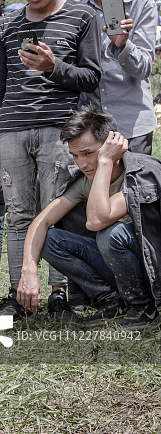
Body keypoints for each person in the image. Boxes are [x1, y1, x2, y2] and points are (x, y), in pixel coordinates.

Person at [0, 0, 101, 320]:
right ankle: (19, 294)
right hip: (13, 129)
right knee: (17, 213)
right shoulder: (5, 26)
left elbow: (92, 75)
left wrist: (54, 67)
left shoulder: (82, 16)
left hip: (58, 129)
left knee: (55, 212)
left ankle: (58, 295)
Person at [16, 106, 159, 329]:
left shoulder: (143, 174)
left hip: (153, 271)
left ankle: (142, 307)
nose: (81, 164)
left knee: (111, 234)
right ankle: (113, 302)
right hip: (121, 266)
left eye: (88, 153)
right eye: (75, 156)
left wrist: (104, 162)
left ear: (112, 145)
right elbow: (41, 221)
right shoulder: (84, 180)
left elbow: (97, 220)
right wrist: (29, 270)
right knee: (51, 239)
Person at [69, 0, 157, 154]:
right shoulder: (74, 7)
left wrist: (123, 45)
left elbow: (144, 69)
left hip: (132, 124)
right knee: (93, 188)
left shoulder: (141, 2)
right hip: (89, 126)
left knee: (133, 188)